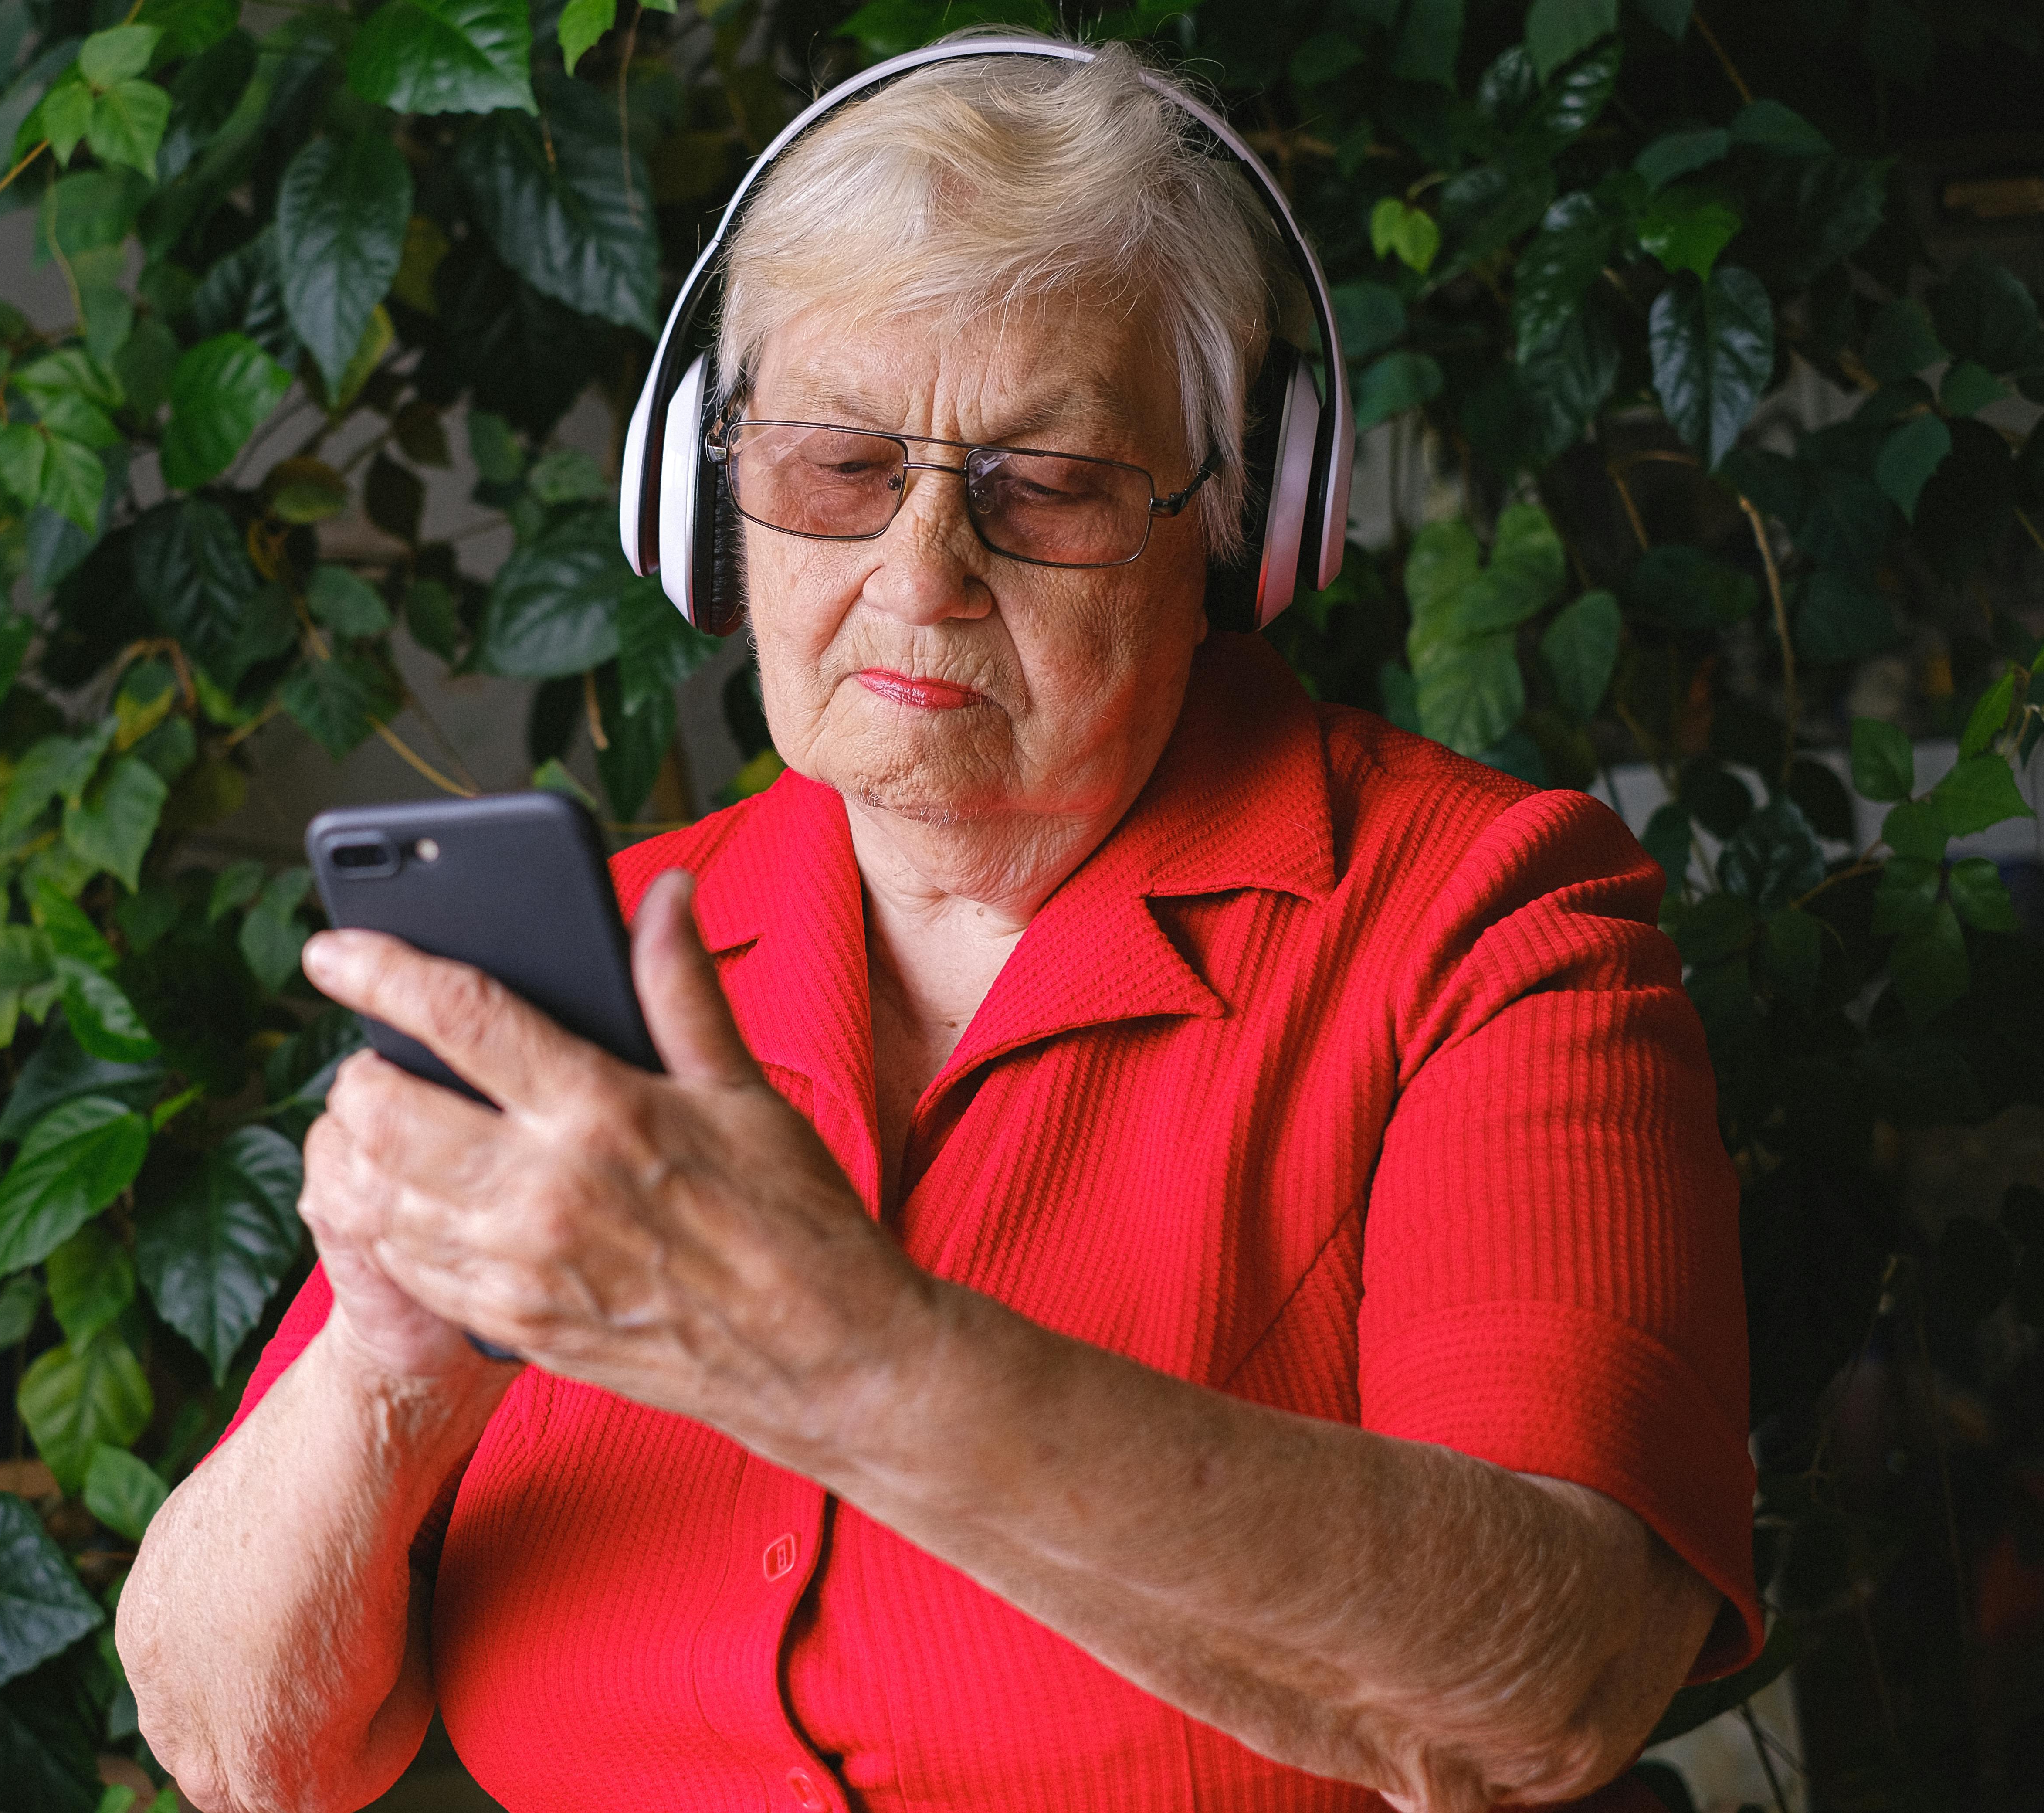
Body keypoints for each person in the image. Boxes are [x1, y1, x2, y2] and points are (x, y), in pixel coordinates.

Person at [116, 36, 1756, 1813]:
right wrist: (386, 1343)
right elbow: (239, 1749)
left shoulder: (1482, 926)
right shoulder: (598, 960)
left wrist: (849, 1353)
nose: (917, 575)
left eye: (1043, 489)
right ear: (700, 496)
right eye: (833, 468)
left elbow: (1555, 1679)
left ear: (1236, 523)